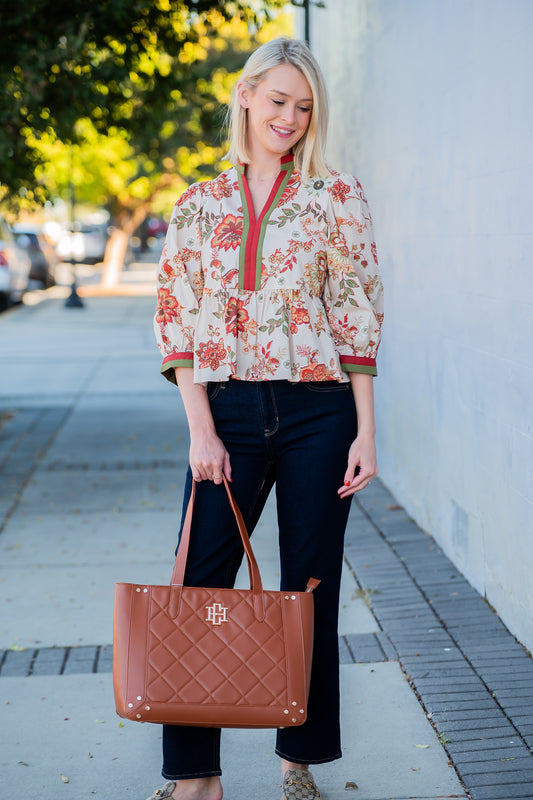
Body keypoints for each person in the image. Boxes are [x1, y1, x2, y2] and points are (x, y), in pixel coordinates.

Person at [151, 36, 383, 800]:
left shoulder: (335, 196)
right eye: (278, 100)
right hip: (227, 412)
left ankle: (297, 762)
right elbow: (177, 320)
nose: (289, 118)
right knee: (197, 586)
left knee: (306, 589)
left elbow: (354, 315)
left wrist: (365, 432)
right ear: (246, 94)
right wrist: (200, 429)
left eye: (304, 107)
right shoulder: (197, 203)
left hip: (320, 413)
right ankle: (195, 778)